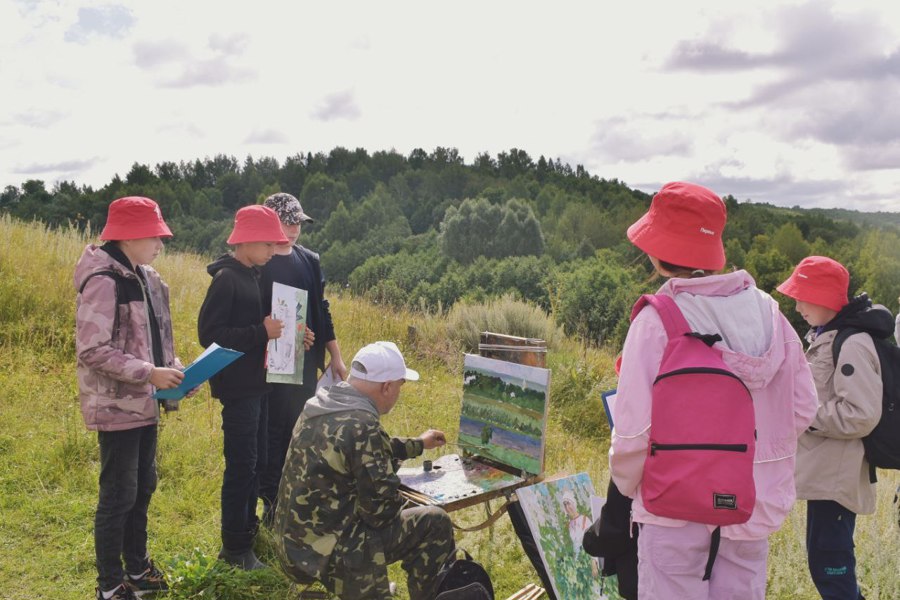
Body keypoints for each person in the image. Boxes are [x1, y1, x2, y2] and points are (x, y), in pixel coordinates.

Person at [608, 181, 818, 599]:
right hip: (750, 505)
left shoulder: (656, 322)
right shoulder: (770, 315)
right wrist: (751, 462)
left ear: (658, 249)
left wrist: (631, 488)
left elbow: (632, 434)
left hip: (672, 507)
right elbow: (803, 407)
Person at [273, 341, 455, 599]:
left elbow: (357, 450)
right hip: (327, 551)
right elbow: (381, 513)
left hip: (293, 543)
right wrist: (401, 494)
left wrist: (417, 444)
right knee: (436, 522)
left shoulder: (321, 404)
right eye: (400, 386)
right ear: (387, 386)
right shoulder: (363, 425)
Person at [75, 196, 185, 600]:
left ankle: (137, 568)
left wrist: (174, 366)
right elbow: (91, 349)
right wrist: (149, 373)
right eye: (156, 235)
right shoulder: (104, 280)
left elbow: (154, 340)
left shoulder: (145, 276)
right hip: (117, 405)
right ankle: (110, 584)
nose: (161, 243)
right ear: (131, 235)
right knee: (119, 493)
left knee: (144, 486)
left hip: (145, 401)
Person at [777, 256, 892, 600]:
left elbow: (861, 415)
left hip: (837, 480)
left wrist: (805, 414)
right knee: (826, 564)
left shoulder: (851, 343)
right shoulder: (828, 336)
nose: (796, 305)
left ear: (825, 298)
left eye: (802, 296)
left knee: (831, 569)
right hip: (826, 476)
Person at [197, 204, 289, 570]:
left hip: (259, 385)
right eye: (268, 244)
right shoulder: (227, 279)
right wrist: (259, 333)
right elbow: (210, 334)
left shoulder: (251, 274)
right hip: (238, 390)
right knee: (242, 465)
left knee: (258, 461)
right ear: (248, 242)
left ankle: (248, 535)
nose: (272, 251)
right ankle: (234, 549)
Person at [257, 192, 347, 523]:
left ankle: (294, 498)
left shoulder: (309, 259)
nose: (294, 229)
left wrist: (334, 354)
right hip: (268, 365)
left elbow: (320, 308)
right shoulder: (260, 262)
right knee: (271, 432)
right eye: (287, 221)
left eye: (298, 222)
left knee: (300, 428)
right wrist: (289, 332)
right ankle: (269, 504)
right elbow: (258, 313)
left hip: (306, 364)